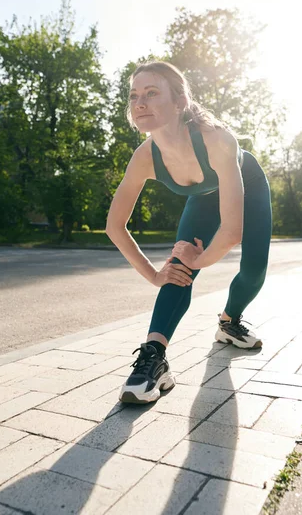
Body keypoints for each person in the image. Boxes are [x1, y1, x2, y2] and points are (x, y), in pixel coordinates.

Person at [106, 61, 272, 404]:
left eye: (152, 93)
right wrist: (155, 275)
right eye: (134, 95)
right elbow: (114, 226)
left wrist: (202, 258)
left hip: (249, 187)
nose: (140, 102)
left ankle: (229, 321)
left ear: (180, 100)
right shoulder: (143, 157)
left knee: (254, 270)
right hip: (202, 198)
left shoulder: (216, 139)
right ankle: (153, 358)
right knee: (178, 269)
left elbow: (231, 231)